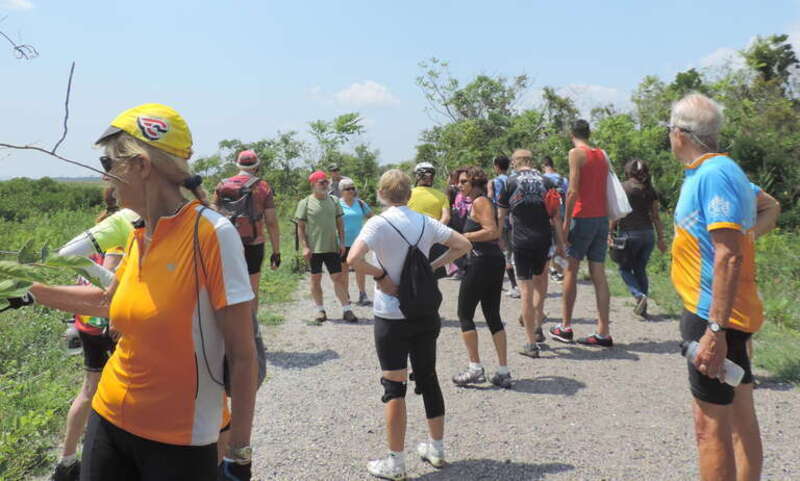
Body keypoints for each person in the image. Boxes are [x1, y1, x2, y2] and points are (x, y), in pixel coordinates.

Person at [10, 103, 258, 481]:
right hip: (109, 414)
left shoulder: (211, 234)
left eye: (109, 165)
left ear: (141, 165)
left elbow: (242, 355)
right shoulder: (142, 233)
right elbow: (110, 301)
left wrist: (239, 454)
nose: (104, 177)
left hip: (180, 437)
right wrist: (25, 287)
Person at [669, 93, 770, 481]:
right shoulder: (726, 171)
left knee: (708, 428)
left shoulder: (712, 174)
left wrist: (714, 329)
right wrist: (749, 236)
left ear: (681, 133)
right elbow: (770, 206)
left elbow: (728, 255)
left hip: (713, 313)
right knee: (740, 416)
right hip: (732, 310)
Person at [347, 169, 470, 481]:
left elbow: (353, 260)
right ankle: (437, 449)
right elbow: (463, 244)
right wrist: (432, 267)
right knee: (428, 377)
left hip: (391, 315)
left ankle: (396, 462)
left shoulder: (377, 223)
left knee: (394, 386)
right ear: (409, 193)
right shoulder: (425, 221)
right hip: (424, 312)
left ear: (382, 193)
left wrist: (381, 276)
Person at [50, 188, 127, 481]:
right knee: (116, 393)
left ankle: (67, 459)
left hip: (85, 320)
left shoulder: (99, 229)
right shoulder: (121, 233)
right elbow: (108, 278)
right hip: (107, 323)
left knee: (89, 390)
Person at [498, 149, 565, 358]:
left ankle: (530, 344)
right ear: (531, 160)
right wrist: (561, 242)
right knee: (541, 284)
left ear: (515, 162)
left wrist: (499, 237)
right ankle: (537, 326)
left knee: (525, 292)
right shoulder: (547, 181)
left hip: (521, 241)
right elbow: (555, 216)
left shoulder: (509, 182)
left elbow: (501, 214)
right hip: (543, 240)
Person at [552, 119, 613, 347]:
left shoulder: (576, 153)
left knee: (570, 269)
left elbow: (573, 190)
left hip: (582, 216)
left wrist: (566, 223)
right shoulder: (601, 154)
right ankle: (603, 332)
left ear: (572, 134)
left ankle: (565, 327)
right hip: (601, 217)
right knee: (599, 274)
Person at [451, 167, 512, 389]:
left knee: (465, 313)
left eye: (464, 181)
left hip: (481, 262)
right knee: (492, 315)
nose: (460, 185)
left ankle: (475, 368)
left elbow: (492, 231)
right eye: (459, 181)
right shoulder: (480, 202)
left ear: (475, 182)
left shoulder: (480, 202)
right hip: (491, 262)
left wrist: (463, 236)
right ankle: (503, 371)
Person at [213, 149, 281, 311]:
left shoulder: (222, 185)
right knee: (252, 289)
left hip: (228, 243)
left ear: (238, 165)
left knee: (229, 287)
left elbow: (213, 215)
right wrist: (276, 251)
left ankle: (233, 328)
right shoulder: (262, 186)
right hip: (254, 244)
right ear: (256, 166)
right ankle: (252, 330)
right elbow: (271, 221)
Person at [295, 170, 356, 324]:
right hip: (314, 249)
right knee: (315, 279)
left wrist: (342, 242)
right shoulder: (305, 203)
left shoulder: (334, 200)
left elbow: (340, 224)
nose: (325, 185)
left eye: (326, 182)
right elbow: (300, 227)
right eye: (321, 182)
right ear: (313, 184)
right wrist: (304, 247)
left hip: (332, 247)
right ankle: (320, 310)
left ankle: (347, 310)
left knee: (338, 278)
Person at [610, 159, 667, 318]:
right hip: (648, 235)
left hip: (629, 235)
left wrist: (609, 233)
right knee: (640, 269)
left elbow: (616, 214)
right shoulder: (650, 190)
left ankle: (638, 295)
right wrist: (661, 239)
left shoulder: (622, 187)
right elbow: (656, 217)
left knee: (624, 268)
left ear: (628, 171)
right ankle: (643, 307)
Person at [408, 161, 451, 278]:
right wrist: (434, 234)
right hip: (434, 241)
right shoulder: (442, 196)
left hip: (412, 240)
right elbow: (446, 218)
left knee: (411, 276)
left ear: (417, 176)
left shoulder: (407, 194)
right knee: (432, 277)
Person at [488, 155, 520, 299]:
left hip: (501, 220)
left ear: (496, 166)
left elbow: (490, 201)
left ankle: (513, 286)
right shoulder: (514, 180)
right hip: (516, 220)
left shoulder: (493, 182)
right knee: (514, 253)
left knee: (503, 253)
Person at [339, 177, 374, 306]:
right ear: (341, 191)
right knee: (344, 269)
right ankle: (345, 294)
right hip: (342, 242)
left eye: (353, 188)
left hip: (358, 242)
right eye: (348, 189)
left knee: (360, 268)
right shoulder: (337, 204)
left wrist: (369, 233)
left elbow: (372, 217)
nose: (351, 191)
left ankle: (362, 294)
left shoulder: (360, 203)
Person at [542, 156, 568, 282]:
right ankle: (560, 269)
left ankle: (553, 269)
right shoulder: (563, 179)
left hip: (547, 216)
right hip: (562, 214)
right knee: (561, 243)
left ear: (543, 166)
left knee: (549, 244)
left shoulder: (541, 180)